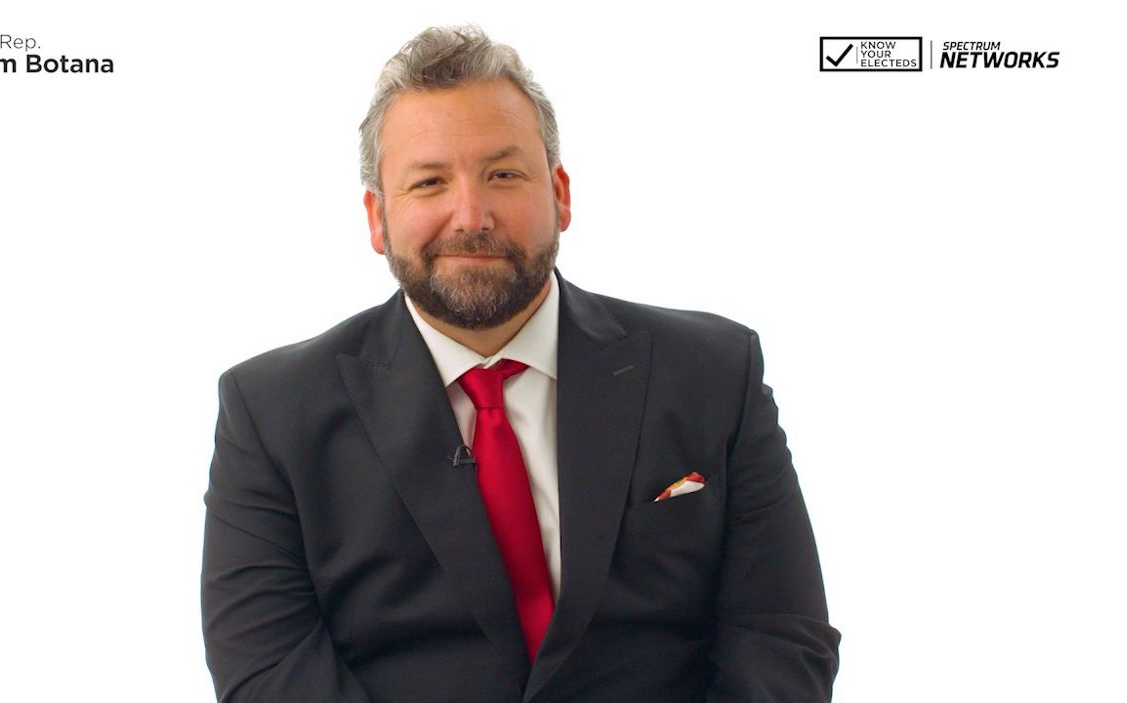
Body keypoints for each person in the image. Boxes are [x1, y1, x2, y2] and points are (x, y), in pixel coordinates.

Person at [201, 25, 840, 703]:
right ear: (377, 217)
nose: (471, 216)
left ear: (560, 193)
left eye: (503, 175)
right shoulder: (270, 414)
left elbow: (781, 637)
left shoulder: (714, 374)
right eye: (429, 182)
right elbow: (268, 673)